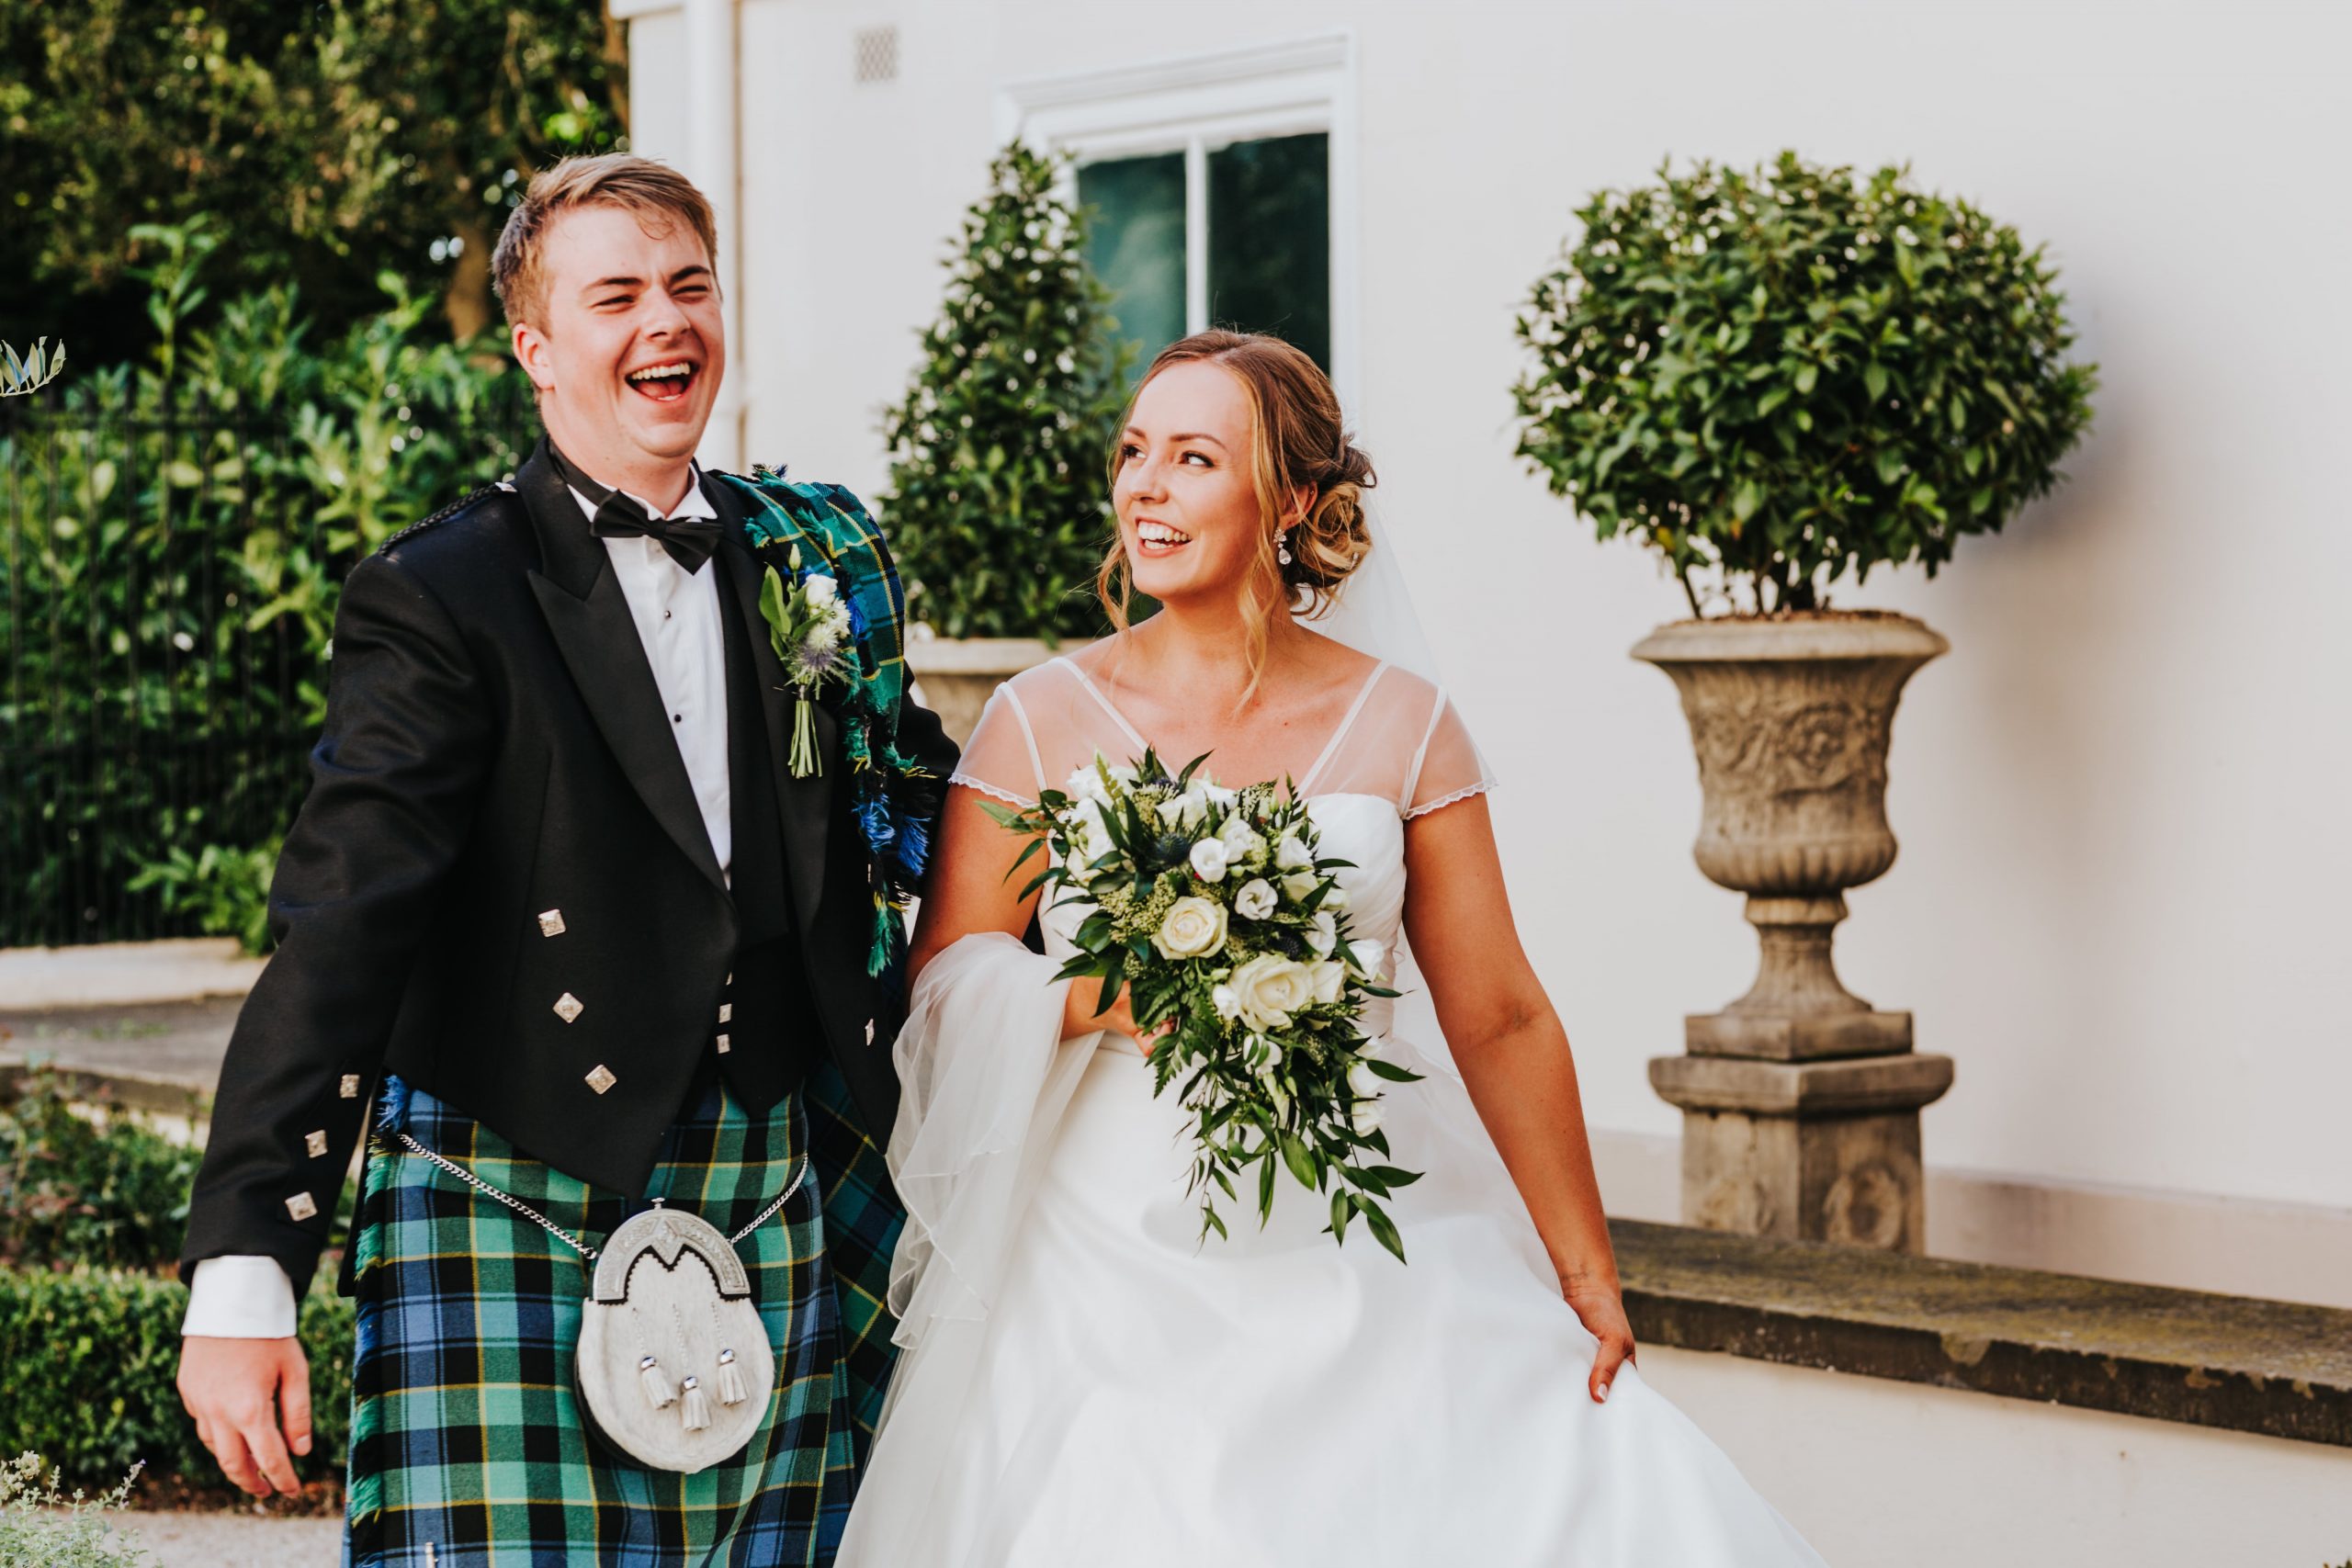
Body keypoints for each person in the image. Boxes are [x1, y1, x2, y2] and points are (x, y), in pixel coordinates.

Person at [840, 330, 1828, 1565]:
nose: (1145, 486)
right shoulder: (1038, 719)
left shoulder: (1402, 723)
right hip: (1108, 1248)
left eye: (1193, 457)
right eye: (1136, 451)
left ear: (1294, 500)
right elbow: (943, 982)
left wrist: (1587, 1268)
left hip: (1365, 1220)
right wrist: (1092, 992)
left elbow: (1501, 1013)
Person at [173, 152, 956, 1565]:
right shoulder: (442, 592)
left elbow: (922, 812)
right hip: (504, 1177)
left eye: (689, 285)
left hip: (769, 1160)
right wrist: (246, 1273)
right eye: (618, 296)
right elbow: (343, 928)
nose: (666, 320)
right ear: (538, 348)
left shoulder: (811, 559)